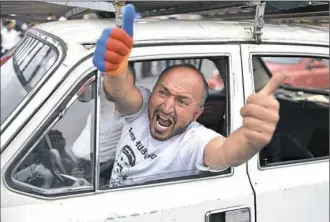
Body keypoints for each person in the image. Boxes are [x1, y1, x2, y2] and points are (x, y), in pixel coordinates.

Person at [93, 4, 287, 188]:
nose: (167, 107)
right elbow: (119, 92)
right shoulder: (143, 108)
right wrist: (115, 70)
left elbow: (225, 152)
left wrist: (250, 139)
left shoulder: (193, 141)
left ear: (197, 113)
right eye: (163, 92)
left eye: (182, 101)